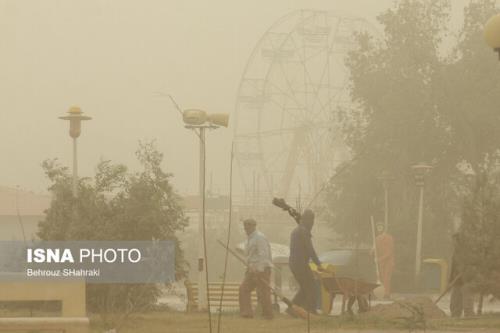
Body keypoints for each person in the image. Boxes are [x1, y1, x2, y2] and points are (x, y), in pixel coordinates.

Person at [289, 209, 324, 314]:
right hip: (300, 264)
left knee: (305, 288)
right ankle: (311, 311)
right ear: (308, 220)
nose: (313, 223)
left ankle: (291, 309)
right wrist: (318, 264)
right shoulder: (303, 231)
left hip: (294, 264)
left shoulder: (297, 230)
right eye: (312, 220)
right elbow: (310, 249)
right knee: (311, 287)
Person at [238, 218, 274, 319]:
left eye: (249, 225)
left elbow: (264, 255)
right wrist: (248, 267)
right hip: (251, 270)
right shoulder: (249, 239)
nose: (246, 227)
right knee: (244, 289)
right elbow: (249, 257)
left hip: (262, 269)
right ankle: (246, 313)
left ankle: (268, 314)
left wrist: (259, 269)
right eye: (245, 225)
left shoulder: (260, 237)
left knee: (263, 292)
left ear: (254, 226)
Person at [449, 233, 474, 318]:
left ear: (459, 241)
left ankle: (469, 316)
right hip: (456, 281)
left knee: (467, 300)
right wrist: (450, 280)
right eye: (453, 240)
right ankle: (455, 315)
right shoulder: (455, 252)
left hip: (466, 280)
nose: (453, 242)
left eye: (454, 240)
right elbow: (453, 267)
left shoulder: (466, 252)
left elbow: (470, 264)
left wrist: (464, 271)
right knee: (455, 301)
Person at [374, 223, 394, 299]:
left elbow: (389, 252)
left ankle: (387, 294)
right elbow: (375, 249)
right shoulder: (377, 238)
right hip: (381, 262)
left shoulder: (389, 238)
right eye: (378, 227)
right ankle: (382, 293)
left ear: (384, 228)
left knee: (386, 278)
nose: (379, 228)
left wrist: (378, 259)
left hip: (388, 262)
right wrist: (372, 251)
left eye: (380, 226)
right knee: (381, 278)